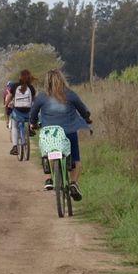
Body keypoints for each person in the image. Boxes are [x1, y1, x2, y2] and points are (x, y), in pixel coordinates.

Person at [29, 69, 92, 200]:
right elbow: (83, 109)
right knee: (75, 159)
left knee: (46, 152)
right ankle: (73, 183)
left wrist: (33, 124)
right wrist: (87, 118)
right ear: (62, 80)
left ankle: (49, 179)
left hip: (49, 134)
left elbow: (33, 114)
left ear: (47, 82)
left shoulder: (42, 96)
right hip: (68, 133)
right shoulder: (70, 94)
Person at [4, 69, 36, 155]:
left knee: (14, 126)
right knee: (30, 116)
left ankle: (15, 147)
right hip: (28, 111)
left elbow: (9, 96)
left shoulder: (14, 86)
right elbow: (33, 100)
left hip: (17, 111)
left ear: (20, 77)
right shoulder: (31, 88)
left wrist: (6, 104)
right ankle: (30, 128)